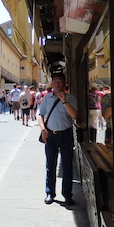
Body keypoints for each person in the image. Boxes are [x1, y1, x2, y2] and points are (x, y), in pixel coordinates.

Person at [38, 71, 78, 205]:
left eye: (60, 81)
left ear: (64, 83)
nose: (57, 84)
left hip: (66, 135)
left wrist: (64, 101)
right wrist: (43, 129)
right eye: (55, 81)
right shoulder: (47, 98)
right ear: (52, 84)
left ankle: (67, 194)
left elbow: (74, 115)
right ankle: (50, 193)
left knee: (67, 166)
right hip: (51, 135)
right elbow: (40, 114)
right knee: (50, 165)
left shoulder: (70, 98)